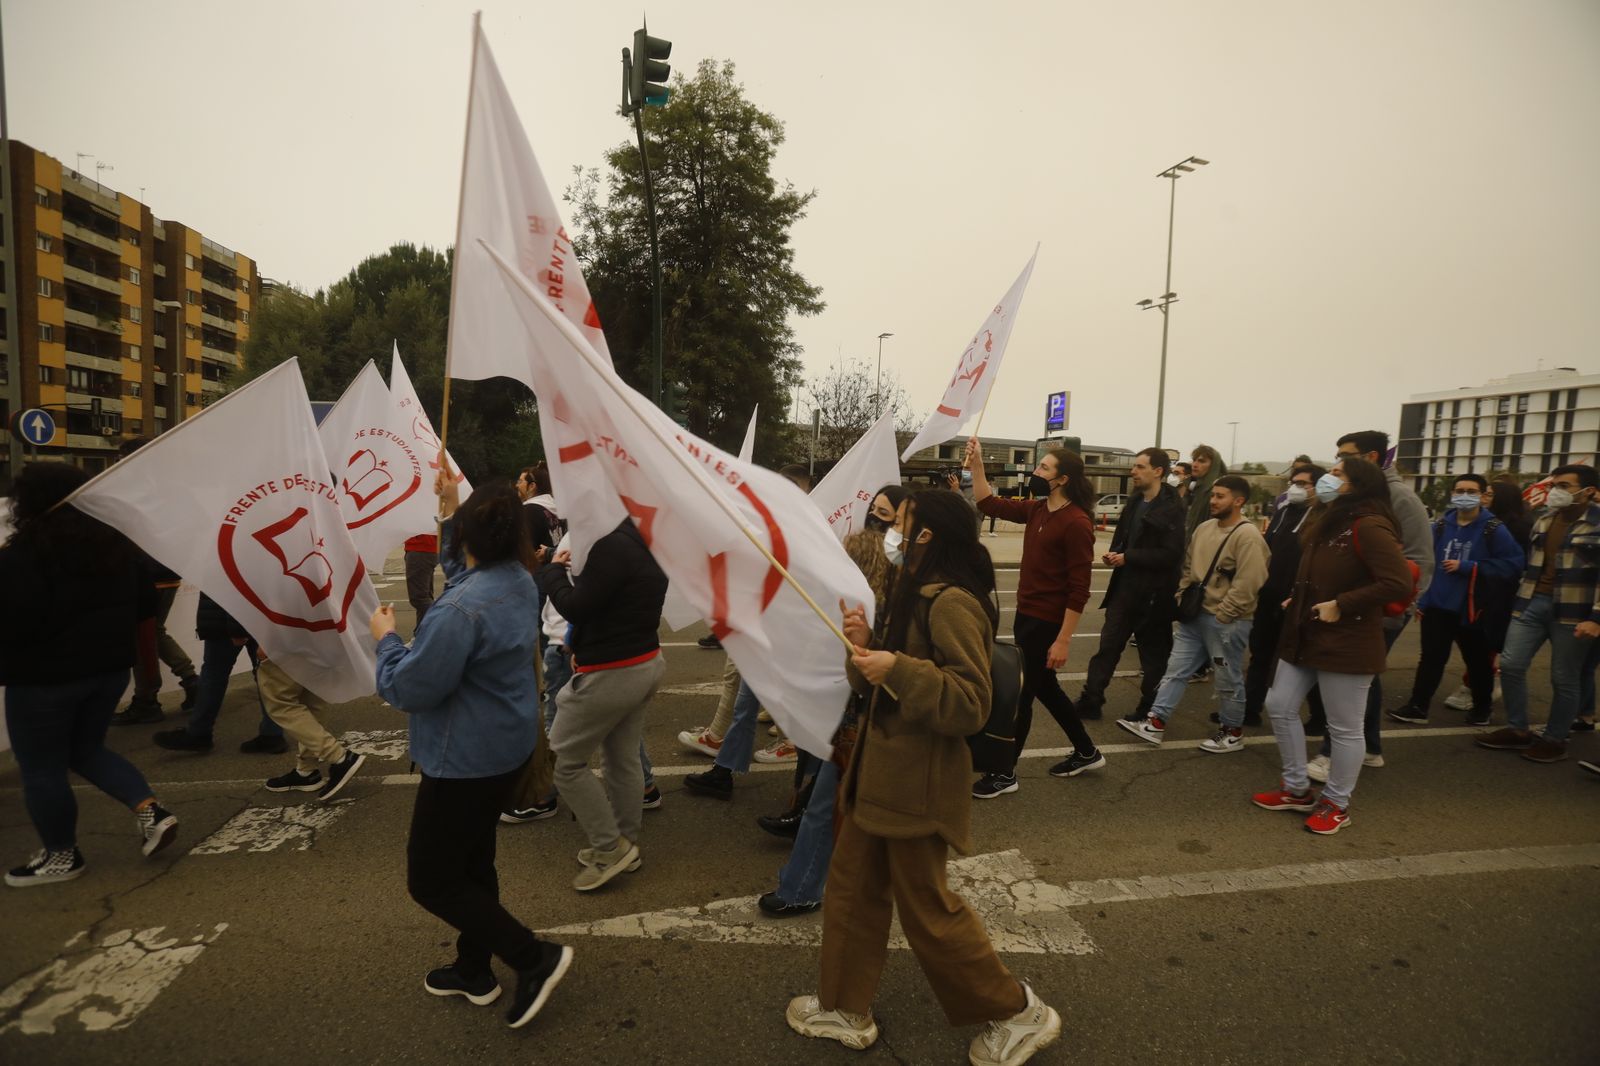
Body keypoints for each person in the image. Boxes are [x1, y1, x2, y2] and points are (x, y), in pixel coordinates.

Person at [786, 490, 1061, 1065]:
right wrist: (862, 649)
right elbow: (877, 686)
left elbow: (970, 703)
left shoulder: (951, 602)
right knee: (853, 891)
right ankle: (844, 1006)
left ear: (928, 536)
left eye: (902, 524)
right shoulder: (908, 595)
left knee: (928, 911)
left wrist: (899, 667)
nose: (892, 533)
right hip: (878, 775)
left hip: (918, 781)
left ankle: (1018, 1012)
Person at [373, 473, 573, 1029]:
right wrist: (450, 505)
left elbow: (409, 687)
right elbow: (461, 565)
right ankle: (473, 967)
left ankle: (534, 957)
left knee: (432, 878)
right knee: (473, 861)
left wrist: (385, 639)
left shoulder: (461, 610)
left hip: (463, 758)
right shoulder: (516, 579)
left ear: (469, 536)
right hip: (502, 749)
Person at [1, 461, 179, 887]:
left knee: (41, 768)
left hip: (42, 679)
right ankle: (151, 812)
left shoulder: (22, 555)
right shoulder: (115, 544)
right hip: (110, 670)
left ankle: (62, 855)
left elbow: (13, 619)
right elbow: (144, 605)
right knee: (85, 749)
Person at [758, 484, 906, 916]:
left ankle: (807, 886)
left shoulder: (905, 573)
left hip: (873, 711)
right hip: (851, 699)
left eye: (890, 517)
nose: (879, 522)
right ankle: (805, 884)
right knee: (828, 798)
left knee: (834, 802)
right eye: (875, 513)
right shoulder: (858, 557)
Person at [1252, 457, 1412, 834]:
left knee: (1344, 728)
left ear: (1357, 485)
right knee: (1280, 704)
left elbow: (1398, 583)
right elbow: (1320, 574)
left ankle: (1337, 803)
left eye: (1337, 474)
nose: (1327, 479)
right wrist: (1300, 597)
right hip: (1307, 632)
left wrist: (1343, 604)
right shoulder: (1327, 520)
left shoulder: (1370, 525)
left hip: (1348, 640)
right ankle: (1295, 788)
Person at [537, 513, 668, 891]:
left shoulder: (610, 545)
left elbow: (578, 606)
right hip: (643, 660)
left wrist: (552, 573)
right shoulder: (643, 538)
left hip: (612, 672)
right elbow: (611, 607)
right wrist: (581, 643)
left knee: (562, 761)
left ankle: (610, 847)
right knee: (622, 758)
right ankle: (625, 843)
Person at [968, 436, 1099, 796]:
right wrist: (977, 463)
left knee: (1022, 696)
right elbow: (987, 502)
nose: (1037, 471)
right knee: (1046, 689)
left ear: (1063, 479)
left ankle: (1005, 773)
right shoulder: (1038, 510)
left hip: (1049, 621)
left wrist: (1064, 638)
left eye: (1044, 467)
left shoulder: (1077, 523)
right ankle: (1087, 751)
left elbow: (1079, 589)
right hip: (1028, 614)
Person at [1305, 430, 1433, 784]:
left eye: (1346, 457)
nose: (1335, 468)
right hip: (1350, 604)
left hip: (1376, 607)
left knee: (1350, 679)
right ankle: (1371, 747)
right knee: (1365, 680)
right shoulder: (1351, 500)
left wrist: (1400, 607)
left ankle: (1334, 754)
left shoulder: (1397, 498)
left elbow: (1417, 558)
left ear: (1371, 458)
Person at [1119, 475, 1269, 752]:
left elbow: (1250, 581)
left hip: (1226, 621)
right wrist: (1182, 593)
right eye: (1213, 495)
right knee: (1175, 671)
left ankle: (1232, 731)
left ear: (1239, 501)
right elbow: (1187, 566)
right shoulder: (1204, 528)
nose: (1213, 501)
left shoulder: (1247, 536)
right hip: (1194, 615)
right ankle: (1155, 722)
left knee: (1227, 679)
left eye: (1221, 496)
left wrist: (1225, 613)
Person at [1476, 464, 1600, 763]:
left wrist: (1596, 617)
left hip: (1574, 611)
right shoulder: (1544, 520)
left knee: (1564, 677)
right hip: (1532, 602)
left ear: (1589, 492)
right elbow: (1532, 566)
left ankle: (1556, 738)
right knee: (1511, 663)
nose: (1556, 491)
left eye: (1565, 486)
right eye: (1554, 485)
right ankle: (1518, 730)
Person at [1386, 474, 1525, 727]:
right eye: (1459, 490)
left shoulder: (1493, 528)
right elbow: (1427, 565)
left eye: (1471, 491)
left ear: (1483, 496)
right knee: (1430, 657)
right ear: (1452, 494)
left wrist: (1469, 567)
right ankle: (1418, 707)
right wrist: (1423, 600)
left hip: (1473, 608)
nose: (1464, 495)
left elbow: (1513, 565)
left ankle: (1482, 709)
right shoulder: (1439, 526)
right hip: (1438, 606)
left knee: (1478, 661)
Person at [1075, 447, 1185, 732]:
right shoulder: (1135, 503)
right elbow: (1124, 540)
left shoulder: (1172, 508)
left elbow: (1172, 554)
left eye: (1139, 467)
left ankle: (1148, 708)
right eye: (1134, 466)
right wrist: (1116, 554)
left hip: (1154, 596)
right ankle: (1092, 700)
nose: (1133, 472)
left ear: (1158, 471)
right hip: (1124, 589)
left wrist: (1129, 557)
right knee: (1107, 647)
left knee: (1153, 657)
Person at [112, 437, 199, 725]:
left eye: (122, 458)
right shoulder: (170, 486)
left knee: (145, 636)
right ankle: (189, 684)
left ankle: (148, 698)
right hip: (163, 569)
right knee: (152, 633)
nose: (118, 464)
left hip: (148, 572)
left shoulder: (140, 490)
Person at [1242, 465, 1328, 733]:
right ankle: (1249, 709)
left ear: (1318, 486)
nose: (1296, 488)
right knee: (1260, 653)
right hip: (1269, 596)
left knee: (1302, 657)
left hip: (1298, 600)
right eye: (1293, 482)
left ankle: (1320, 716)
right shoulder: (1283, 512)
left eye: (1303, 483)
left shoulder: (1322, 517)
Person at [151, 593, 288, 754]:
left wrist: (237, 629)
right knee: (264, 674)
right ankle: (272, 733)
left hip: (226, 618)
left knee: (214, 674)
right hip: (245, 616)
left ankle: (198, 732)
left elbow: (234, 584)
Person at [1185, 445, 1227, 538]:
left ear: (1213, 465)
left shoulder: (1216, 491)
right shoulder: (1199, 489)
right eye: (1194, 460)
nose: (1194, 465)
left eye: (1201, 461)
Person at [404, 533, 439, 629]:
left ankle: (430, 632)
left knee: (419, 599)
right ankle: (422, 633)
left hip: (420, 547)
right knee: (425, 596)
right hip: (424, 548)